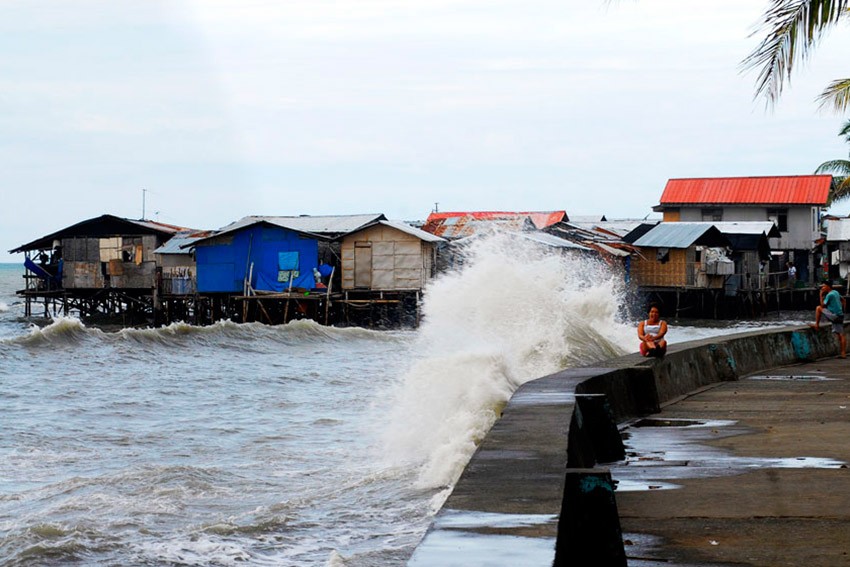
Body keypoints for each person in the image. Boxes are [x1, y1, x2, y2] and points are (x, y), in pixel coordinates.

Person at [810, 280, 847, 358]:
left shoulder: (829, 295)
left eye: (824, 286)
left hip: (834, 316)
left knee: (818, 308)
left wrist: (820, 295)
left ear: (828, 287)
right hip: (840, 316)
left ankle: (817, 325)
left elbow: (822, 305)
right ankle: (843, 353)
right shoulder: (836, 292)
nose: (822, 287)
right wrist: (843, 311)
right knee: (841, 334)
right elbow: (844, 300)